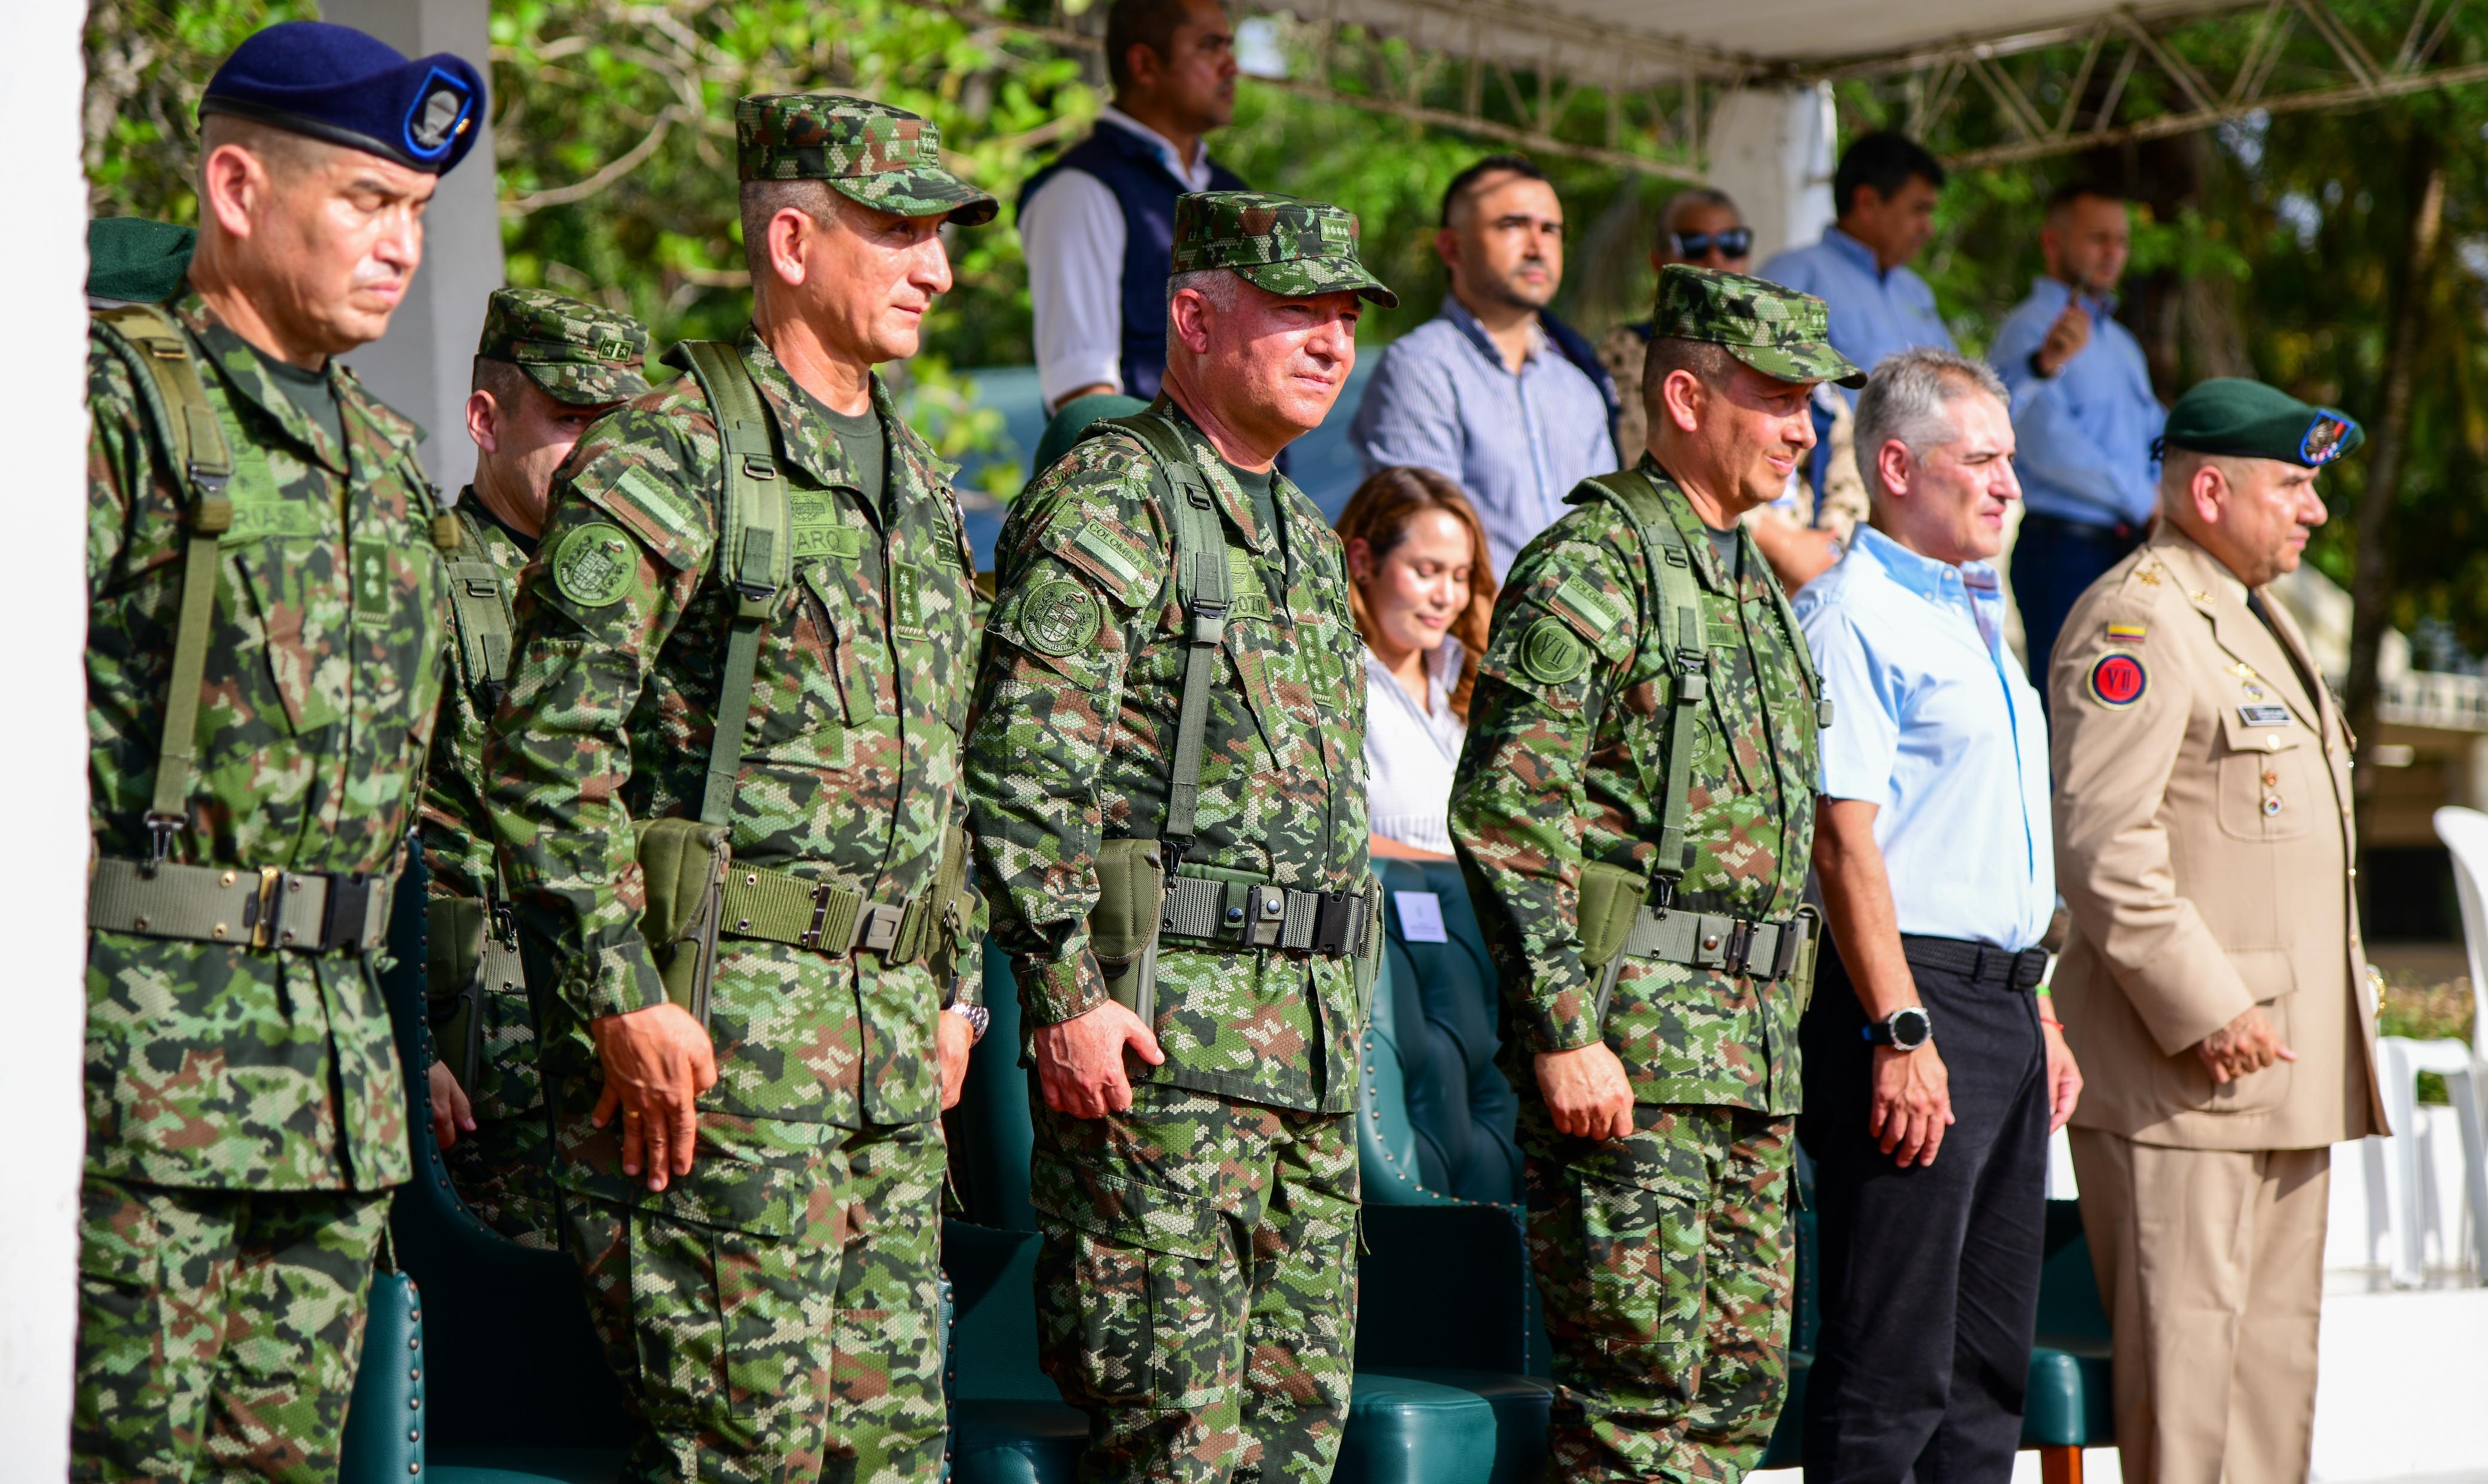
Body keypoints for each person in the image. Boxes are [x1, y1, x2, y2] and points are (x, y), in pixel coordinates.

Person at [479, 94, 993, 1483]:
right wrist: (619, 991)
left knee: (893, 1465)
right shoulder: (670, 451)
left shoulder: (924, 482)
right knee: (743, 1460)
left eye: (941, 243)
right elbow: (545, 745)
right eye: (900, 234)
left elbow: (954, 760)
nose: (936, 271)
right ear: (789, 238)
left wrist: (958, 987)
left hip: (889, 1074)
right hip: (722, 1063)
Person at [77, 20, 482, 1479]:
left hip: (332, 1090)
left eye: (419, 214)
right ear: (239, 189)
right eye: (366, 202)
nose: (401, 247)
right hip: (140, 1083)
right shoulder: (114, 406)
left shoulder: (379, 450)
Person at [966, 190, 1394, 1484]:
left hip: (1305, 1075)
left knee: (1291, 1450)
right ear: (1195, 317)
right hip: (1168, 1064)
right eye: (1297, 311)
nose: (1331, 340)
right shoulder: (1118, 494)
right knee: (1176, 1450)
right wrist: (1064, 994)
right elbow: (1021, 771)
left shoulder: (1305, 537)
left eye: (1343, 317)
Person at [1450, 264, 1856, 1480]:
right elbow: (1509, 813)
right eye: (1777, 399)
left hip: (1746, 1061)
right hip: (1634, 1056)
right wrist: (1566, 1029)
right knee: (1635, 1408)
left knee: (1731, 1403)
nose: (1803, 428)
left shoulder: (1751, 580)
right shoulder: (1591, 561)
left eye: (1810, 405)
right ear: (1684, 393)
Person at [2050, 378, 2389, 1484]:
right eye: (2293, 485)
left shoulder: (2247, 612)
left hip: (2279, 1072)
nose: (2314, 510)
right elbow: (2106, 845)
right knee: (2190, 1416)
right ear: (2210, 488)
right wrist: (2209, 1006)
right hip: (2188, 1077)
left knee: (2266, 1401)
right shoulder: (2137, 618)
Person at [1792, 347, 2083, 1480]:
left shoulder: (1973, 615)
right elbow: (1841, 837)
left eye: (2012, 459)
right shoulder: (1853, 612)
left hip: (2002, 1003)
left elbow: (1983, 845)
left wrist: (2040, 1009)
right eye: (1985, 459)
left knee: (1986, 1374)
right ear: (1900, 465)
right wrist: (1901, 1028)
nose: (2011, 484)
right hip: (1907, 1003)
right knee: (1893, 1368)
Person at [420, 287, 651, 1247]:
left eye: (615, 427)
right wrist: (407, 1041)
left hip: (636, 1046)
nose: (597, 454)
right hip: (487, 1060)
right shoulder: (421, 582)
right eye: (566, 421)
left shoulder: (657, 590)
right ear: (486, 421)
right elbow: (360, 832)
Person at [1350, 154, 1618, 576]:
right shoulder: (1420, 368)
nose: (1537, 246)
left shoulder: (1578, 388)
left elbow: (1608, 541)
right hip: (1477, 640)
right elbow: (1425, 557)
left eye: (1550, 229)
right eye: (1512, 225)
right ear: (1451, 247)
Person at [1604, 188, 1867, 593]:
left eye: (1732, 244)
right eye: (1695, 245)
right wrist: (1781, 544)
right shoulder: (1633, 351)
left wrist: (1830, 548)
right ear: (1659, 259)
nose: (1716, 259)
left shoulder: (1787, 351)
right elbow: (1664, 459)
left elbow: (1847, 464)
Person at [1019, 0, 1245, 408]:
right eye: (1210, 47)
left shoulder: (1234, 191)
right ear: (1145, 65)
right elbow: (1084, 400)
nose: (1232, 68)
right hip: (1143, 470)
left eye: (1229, 47)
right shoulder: (1081, 189)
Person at [1992, 184, 2166, 692]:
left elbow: (2153, 432)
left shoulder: (2123, 343)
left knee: (2124, 709)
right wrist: (2145, 501)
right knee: (2071, 709)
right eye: (2098, 239)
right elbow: (2047, 444)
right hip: (2064, 547)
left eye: (2121, 241)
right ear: (2053, 241)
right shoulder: (2028, 331)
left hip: (2131, 545)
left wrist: (2165, 496)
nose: (2113, 253)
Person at [1337, 466, 1495, 861]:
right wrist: (1461, 875)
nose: (1447, 596)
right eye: (1427, 572)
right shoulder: (1325, 686)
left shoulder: (1475, 683)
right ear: (1361, 561)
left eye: (1461, 576)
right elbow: (1316, 835)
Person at [1759, 129, 1954, 394]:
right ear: (1868, 203)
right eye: (1919, 209)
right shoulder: (1793, 277)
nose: (1929, 228)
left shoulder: (1915, 292)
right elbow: (1769, 391)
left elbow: (1958, 383)